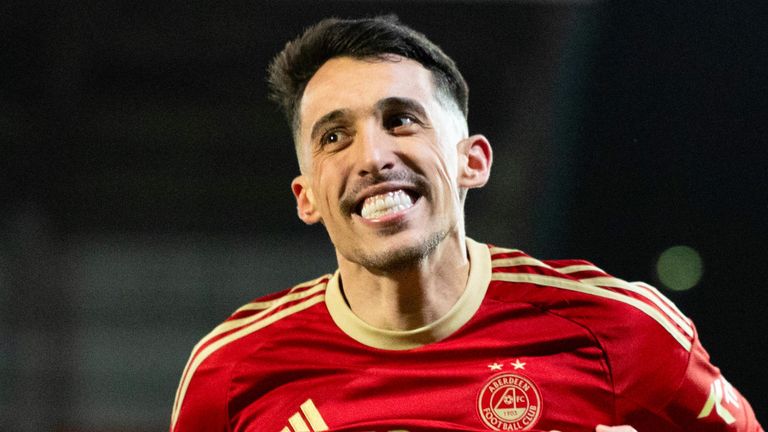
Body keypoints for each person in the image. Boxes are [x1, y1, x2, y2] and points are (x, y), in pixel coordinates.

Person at [170, 16, 762, 432]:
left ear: (471, 161)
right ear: (307, 198)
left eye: (401, 120)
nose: (372, 158)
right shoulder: (230, 373)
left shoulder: (619, 331)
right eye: (333, 136)